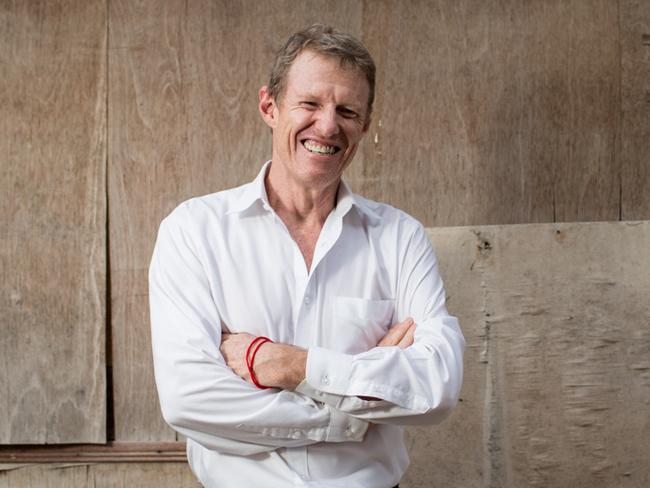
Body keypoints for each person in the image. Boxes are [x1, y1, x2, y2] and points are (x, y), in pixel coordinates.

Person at [149, 24, 465, 488]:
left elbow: (436, 386)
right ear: (269, 107)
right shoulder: (194, 231)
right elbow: (189, 399)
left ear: (366, 125)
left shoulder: (400, 237)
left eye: (348, 110)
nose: (328, 125)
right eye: (310, 104)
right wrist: (348, 416)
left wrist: (289, 365)